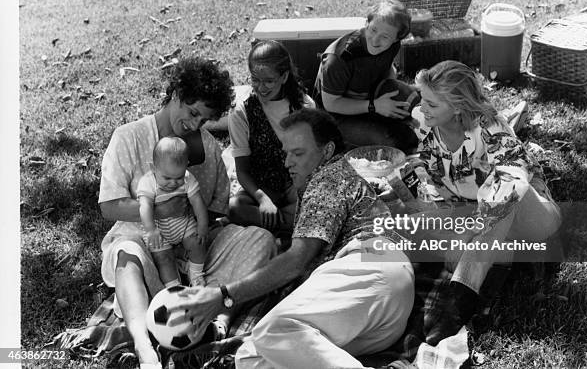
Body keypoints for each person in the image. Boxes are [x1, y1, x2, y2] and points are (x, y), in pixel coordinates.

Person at [166, 108, 415, 369]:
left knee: (272, 331)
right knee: (252, 357)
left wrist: (223, 296)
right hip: (386, 313)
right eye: (286, 153)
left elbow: (296, 260)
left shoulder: (328, 179)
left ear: (327, 151)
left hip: (372, 268)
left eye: (298, 153)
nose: (287, 162)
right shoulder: (337, 178)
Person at [98, 57, 276, 369]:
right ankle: (144, 348)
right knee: (125, 253)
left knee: (261, 239)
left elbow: (217, 211)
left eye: (203, 120)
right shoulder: (129, 136)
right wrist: (159, 207)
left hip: (195, 257)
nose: (195, 125)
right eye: (193, 113)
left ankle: (217, 318)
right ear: (177, 93)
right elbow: (108, 205)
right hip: (145, 247)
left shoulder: (206, 146)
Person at [405, 60, 562, 345]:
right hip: (480, 215)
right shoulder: (427, 126)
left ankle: (460, 301)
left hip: (532, 212)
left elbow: (512, 183)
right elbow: (438, 181)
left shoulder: (490, 128)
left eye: (431, 103)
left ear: (457, 108)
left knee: (504, 193)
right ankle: (489, 279)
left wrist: (471, 228)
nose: (422, 108)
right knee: (446, 242)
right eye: (422, 99)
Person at [228, 40, 315, 233]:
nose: (261, 87)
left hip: (296, 185)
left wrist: (299, 189)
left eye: (269, 81)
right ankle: (297, 225)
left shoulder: (304, 106)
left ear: (284, 77)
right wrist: (263, 200)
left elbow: (312, 159)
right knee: (235, 207)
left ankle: (279, 224)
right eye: (255, 80)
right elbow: (242, 171)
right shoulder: (242, 112)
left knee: (316, 201)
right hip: (263, 188)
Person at [312, 0, 421, 154]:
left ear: (397, 38)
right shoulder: (339, 59)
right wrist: (375, 106)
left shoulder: (394, 45)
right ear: (366, 23)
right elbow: (331, 104)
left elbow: (387, 69)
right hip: (335, 115)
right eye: (373, 30)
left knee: (416, 103)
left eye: (385, 37)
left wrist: (393, 93)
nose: (376, 40)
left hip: (369, 97)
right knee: (390, 143)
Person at [137, 136, 209, 288]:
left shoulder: (188, 179)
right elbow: (145, 206)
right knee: (163, 259)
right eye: (167, 177)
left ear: (186, 167)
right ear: (153, 168)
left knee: (198, 243)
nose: (173, 183)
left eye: (178, 178)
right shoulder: (148, 182)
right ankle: (173, 287)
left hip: (183, 224)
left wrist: (202, 226)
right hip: (158, 230)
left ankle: (195, 274)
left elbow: (198, 203)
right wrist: (151, 230)